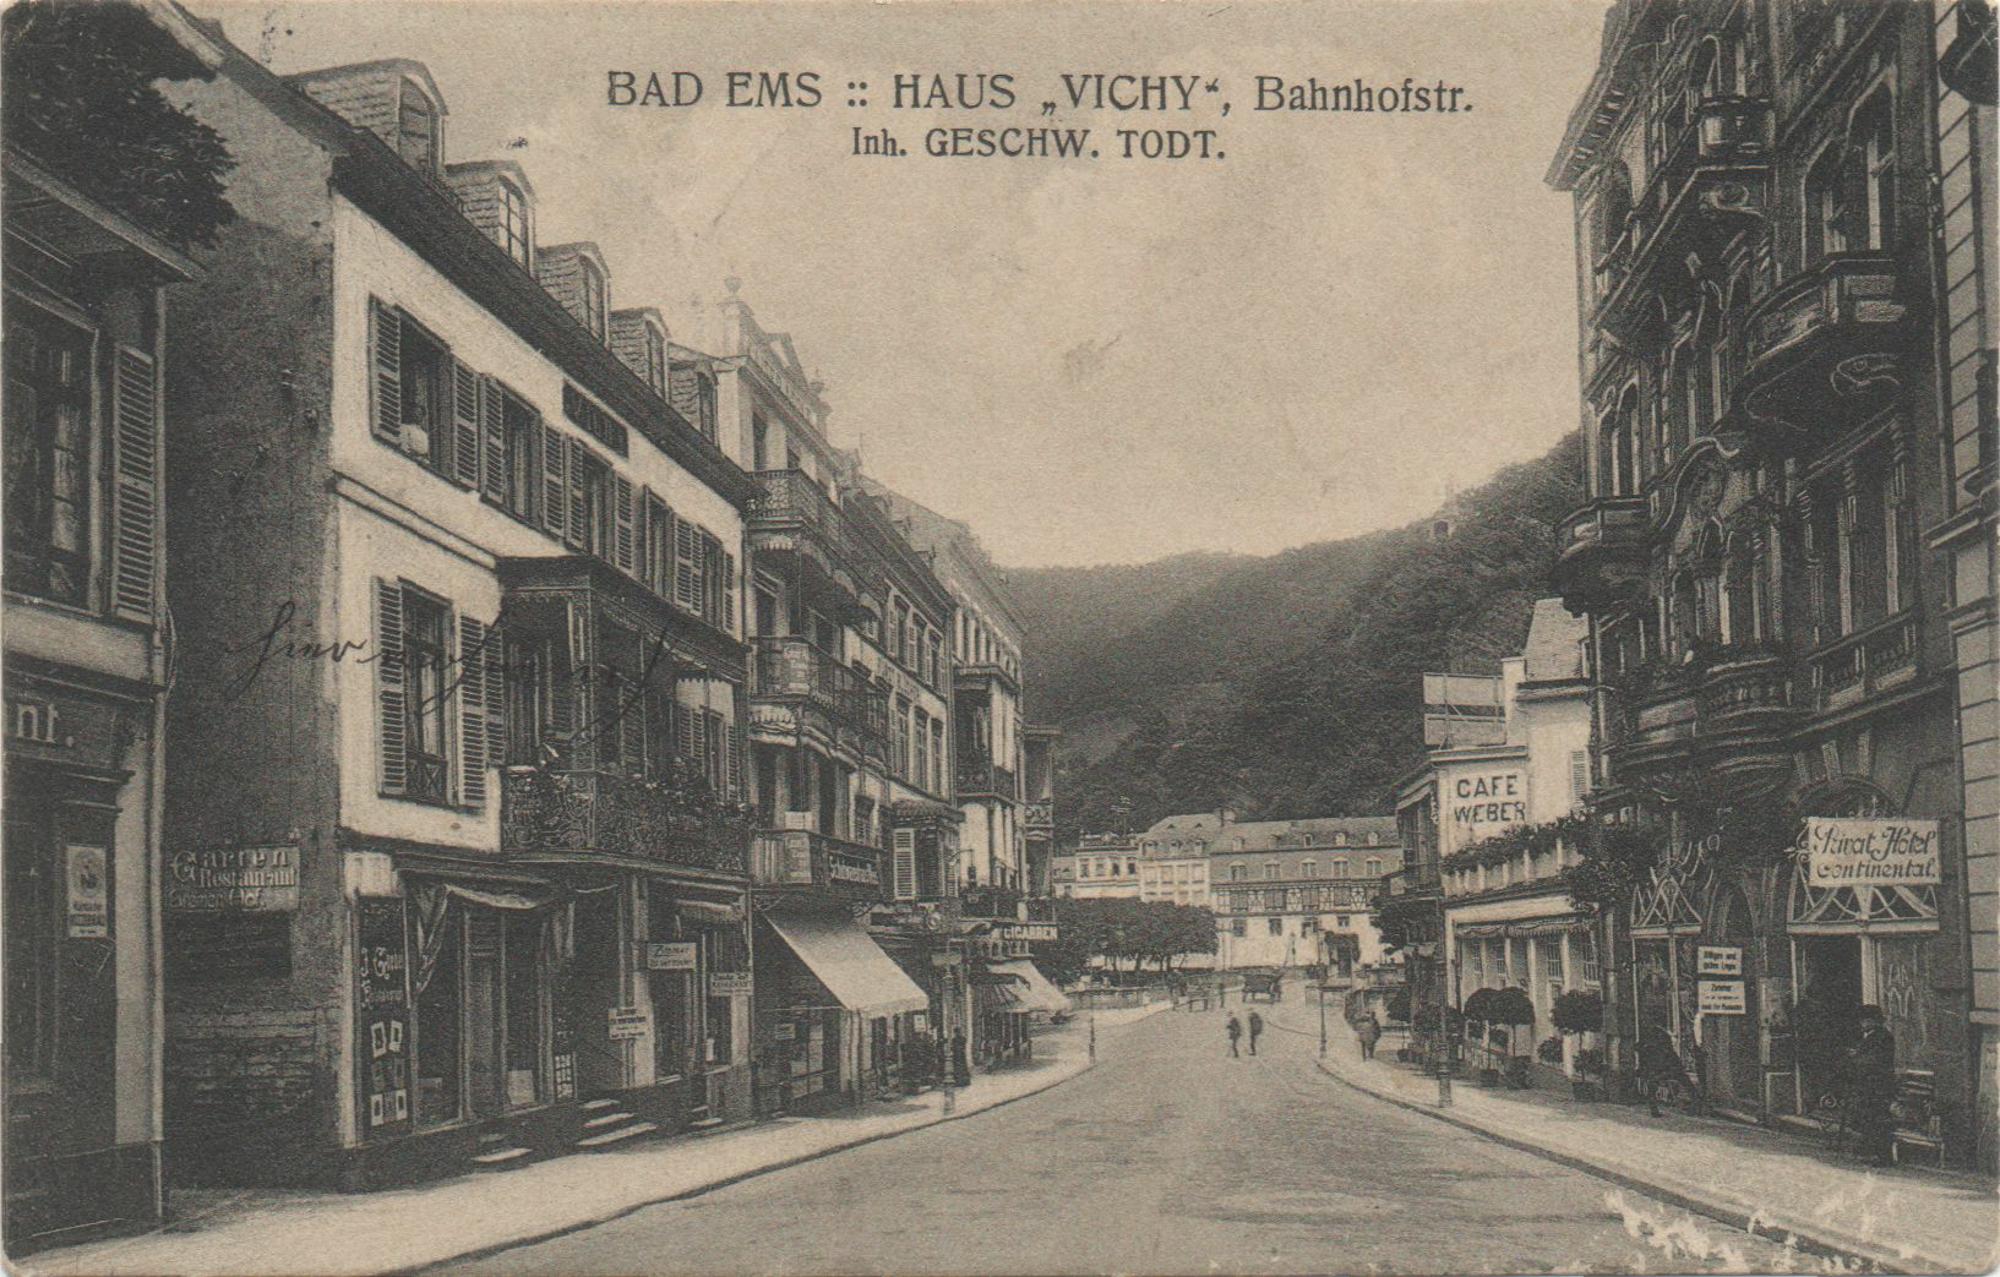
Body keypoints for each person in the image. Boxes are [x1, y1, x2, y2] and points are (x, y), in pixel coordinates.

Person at [1846, 1004, 1898, 1167]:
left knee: (1878, 1119)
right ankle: (1872, 1153)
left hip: (1878, 1085)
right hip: (1869, 1084)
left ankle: (1883, 1156)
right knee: (1869, 1119)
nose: (1862, 1024)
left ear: (1873, 1021)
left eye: (1865, 1020)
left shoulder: (1882, 1037)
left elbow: (1874, 1061)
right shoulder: (1872, 1036)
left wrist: (1856, 1057)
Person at [1636, 1018, 1684, 1118]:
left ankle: (1654, 1109)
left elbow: (1637, 1047)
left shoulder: (1649, 1034)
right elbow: (1669, 1050)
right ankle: (1696, 1103)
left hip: (1654, 1065)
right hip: (1662, 1065)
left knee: (1652, 1086)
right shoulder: (1662, 1034)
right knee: (1682, 1079)